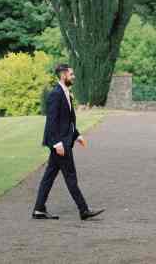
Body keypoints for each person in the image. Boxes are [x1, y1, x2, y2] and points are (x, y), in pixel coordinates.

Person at [32, 64, 104, 221]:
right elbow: (51, 122)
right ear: (63, 75)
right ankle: (83, 210)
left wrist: (77, 135)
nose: (74, 77)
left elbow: (67, 120)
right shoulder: (55, 94)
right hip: (60, 145)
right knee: (70, 177)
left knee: (49, 177)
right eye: (71, 74)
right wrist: (57, 143)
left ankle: (38, 209)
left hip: (64, 141)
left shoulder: (66, 93)